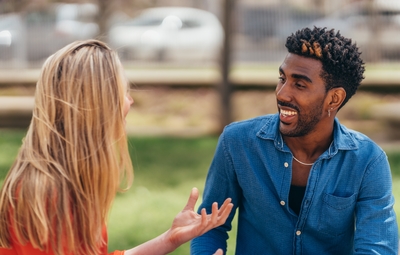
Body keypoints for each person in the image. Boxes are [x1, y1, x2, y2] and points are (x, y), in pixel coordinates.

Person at [0, 39, 233, 255]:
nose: (130, 101)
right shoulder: (50, 196)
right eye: (124, 92)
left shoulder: (65, 182)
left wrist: (170, 239)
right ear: (99, 103)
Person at [190, 26, 398, 254]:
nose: (282, 93)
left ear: (334, 98)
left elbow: (378, 248)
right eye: (282, 78)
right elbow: (210, 226)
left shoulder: (368, 161)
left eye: (299, 85)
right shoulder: (237, 143)